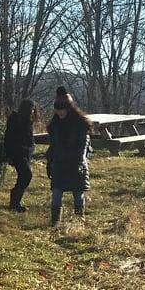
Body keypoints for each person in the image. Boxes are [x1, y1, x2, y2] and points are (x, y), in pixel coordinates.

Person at [45, 86, 91, 227]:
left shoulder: (80, 124)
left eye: (61, 109)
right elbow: (53, 145)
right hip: (59, 163)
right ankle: (55, 223)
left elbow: (83, 145)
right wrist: (49, 161)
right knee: (56, 193)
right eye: (57, 109)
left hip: (76, 163)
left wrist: (79, 161)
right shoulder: (55, 124)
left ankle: (79, 221)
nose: (59, 112)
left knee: (78, 194)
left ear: (68, 108)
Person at [4, 96, 37, 212]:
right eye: (32, 109)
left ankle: (16, 202)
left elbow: (29, 138)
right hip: (18, 153)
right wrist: (9, 155)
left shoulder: (28, 121)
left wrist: (31, 148)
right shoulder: (15, 120)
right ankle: (14, 202)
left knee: (24, 176)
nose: (33, 111)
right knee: (27, 175)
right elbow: (8, 137)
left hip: (25, 153)